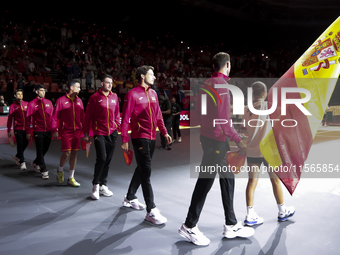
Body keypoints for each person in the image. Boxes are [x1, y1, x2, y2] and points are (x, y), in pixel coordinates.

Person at [178, 52, 254, 246]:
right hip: (217, 141)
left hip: (210, 138)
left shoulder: (205, 85)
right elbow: (224, 119)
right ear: (227, 64)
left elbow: (198, 113)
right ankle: (189, 225)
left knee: (227, 178)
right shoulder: (221, 86)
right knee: (206, 182)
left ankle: (231, 224)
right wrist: (238, 139)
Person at [121, 65, 172, 225]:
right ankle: (151, 210)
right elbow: (125, 118)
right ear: (142, 76)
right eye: (151, 74)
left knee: (142, 168)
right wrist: (124, 139)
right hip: (139, 137)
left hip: (151, 137)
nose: (155, 77)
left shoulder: (153, 93)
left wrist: (164, 132)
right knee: (146, 172)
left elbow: (158, 116)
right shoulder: (132, 94)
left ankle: (130, 197)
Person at [242, 81, 295, 226]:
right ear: (264, 93)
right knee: (275, 181)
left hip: (252, 150)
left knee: (252, 182)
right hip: (268, 152)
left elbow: (244, 130)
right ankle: (282, 211)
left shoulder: (246, 109)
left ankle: (250, 214)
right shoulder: (270, 107)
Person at [83, 74, 121, 200]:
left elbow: (117, 114)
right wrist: (86, 133)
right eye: (107, 82)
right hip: (99, 132)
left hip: (112, 133)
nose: (110, 85)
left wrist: (117, 125)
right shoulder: (94, 98)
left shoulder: (115, 96)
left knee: (108, 160)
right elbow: (88, 116)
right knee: (102, 158)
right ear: (102, 83)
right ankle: (95, 185)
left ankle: (103, 184)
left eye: (111, 83)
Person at [52, 79, 84, 187]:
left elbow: (82, 117)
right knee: (67, 153)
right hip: (66, 131)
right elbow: (54, 116)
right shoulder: (61, 101)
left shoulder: (79, 101)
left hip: (77, 131)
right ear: (71, 88)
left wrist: (84, 131)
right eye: (78, 87)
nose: (80, 89)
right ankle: (60, 170)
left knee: (74, 153)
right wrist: (55, 129)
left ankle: (71, 177)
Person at [26, 84, 53, 179]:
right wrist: (28, 132)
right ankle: (44, 170)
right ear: (36, 91)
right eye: (41, 90)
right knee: (40, 150)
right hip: (38, 130)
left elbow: (52, 117)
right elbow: (28, 119)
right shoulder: (32, 104)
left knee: (45, 149)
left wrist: (54, 128)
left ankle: (35, 162)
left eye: (44, 90)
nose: (43, 92)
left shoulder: (49, 102)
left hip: (48, 130)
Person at [7, 89, 28, 170]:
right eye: (18, 94)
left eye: (21, 94)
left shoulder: (27, 104)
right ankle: (22, 162)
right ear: (15, 96)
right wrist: (9, 130)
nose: (20, 95)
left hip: (26, 128)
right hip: (17, 128)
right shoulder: (13, 106)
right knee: (20, 144)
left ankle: (17, 156)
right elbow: (10, 119)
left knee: (25, 143)